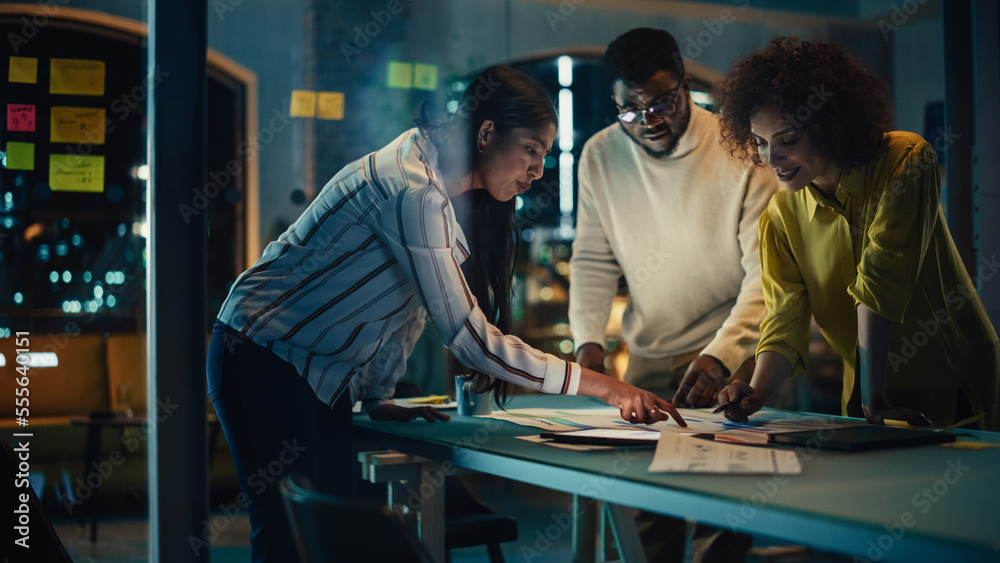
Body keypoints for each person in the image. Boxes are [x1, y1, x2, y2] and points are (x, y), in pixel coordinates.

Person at [207, 65, 686, 563]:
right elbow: (468, 338)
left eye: (543, 156)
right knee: (290, 540)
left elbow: (404, 308)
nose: (538, 171)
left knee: (331, 536)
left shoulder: (440, 184)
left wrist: (378, 394)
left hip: (314, 371)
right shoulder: (415, 188)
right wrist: (603, 384)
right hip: (259, 352)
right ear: (485, 133)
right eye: (531, 150)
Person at [714, 37, 1000, 432]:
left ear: (829, 124)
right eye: (761, 143)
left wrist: (876, 400)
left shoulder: (905, 160)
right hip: (866, 397)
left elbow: (878, 284)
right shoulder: (781, 216)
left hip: (950, 385)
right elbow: (784, 321)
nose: (770, 159)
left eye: (788, 140)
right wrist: (756, 393)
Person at [568, 28, 778, 563]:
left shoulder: (739, 146)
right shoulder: (598, 156)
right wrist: (588, 342)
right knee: (643, 515)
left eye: (661, 102)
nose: (650, 120)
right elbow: (593, 258)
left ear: (685, 84)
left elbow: (766, 276)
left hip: (729, 351)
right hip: (647, 355)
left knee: (721, 518)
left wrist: (721, 356)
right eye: (631, 110)